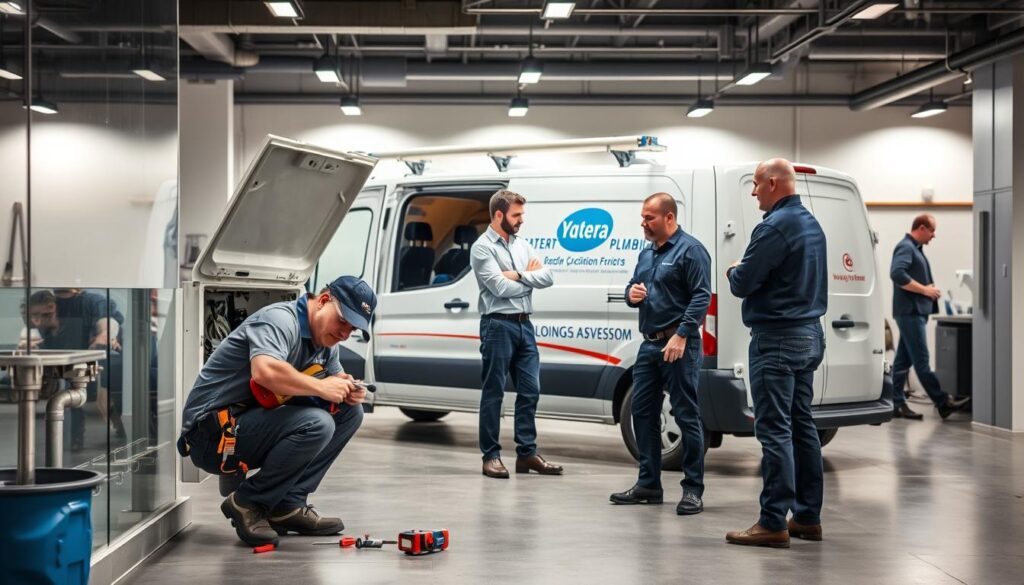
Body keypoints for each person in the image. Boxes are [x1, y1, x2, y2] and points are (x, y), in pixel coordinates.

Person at [177, 276, 375, 547]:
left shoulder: (326, 345)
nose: (344, 333)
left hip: (245, 425)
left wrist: (351, 391)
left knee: (351, 413)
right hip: (209, 436)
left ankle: (287, 505)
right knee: (318, 423)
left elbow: (336, 381)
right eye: (342, 321)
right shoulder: (280, 320)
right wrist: (321, 388)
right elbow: (265, 371)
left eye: (352, 329)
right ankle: (248, 502)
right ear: (325, 300)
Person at [724, 158, 827, 548]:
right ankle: (807, 517)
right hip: (809, 335)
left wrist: (735, 269)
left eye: (754, 185)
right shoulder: (812, 223)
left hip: (777, 339)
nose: (752, 193)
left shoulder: (774, 227)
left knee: (774, 429)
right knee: (802, 426)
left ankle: (772, 521)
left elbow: (744, 282)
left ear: (771, 183)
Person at [610, 193, 711, 515]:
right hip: (649, 345)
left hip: (678, 346)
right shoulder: (646, 253)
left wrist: (682, 334)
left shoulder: (691, 251)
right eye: (643, 217)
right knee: (642, 413)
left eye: (649, 218)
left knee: (685, 416)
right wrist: (631, 294)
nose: (643, 223)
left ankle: (693, 490)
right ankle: (648, 484)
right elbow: (632, 287)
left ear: (669, 217)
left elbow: (701, 297)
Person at [469, 189, 563, 478]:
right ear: (499, 215)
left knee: (531, 390)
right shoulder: (482, 247)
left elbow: (548, 277)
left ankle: (527, 454)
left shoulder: (523, 245)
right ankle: (491, 456)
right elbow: (499, 288)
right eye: (516, 215)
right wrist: (528, 278)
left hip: (525, 325)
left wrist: (520, 275)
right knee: (494, 392)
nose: (521, 220)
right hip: (497, 325)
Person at [890, 214, 970, 420]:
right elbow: (897, 274)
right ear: (922, 228)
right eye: (932, 231)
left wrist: (927, 290)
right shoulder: (906, 247)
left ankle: (896, 403)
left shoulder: (914, 249)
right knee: (922, 361)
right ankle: (943, 402)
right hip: (911, 313)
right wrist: (925, 290)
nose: (934, 236)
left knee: (902, 362)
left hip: (913, 313)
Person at [25, 288, 125, 451]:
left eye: (44, 314)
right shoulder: (48, 313)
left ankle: (116, 426)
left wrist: (105, 335)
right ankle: (74, 440)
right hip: (74, 357)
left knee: (104, 397)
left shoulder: (91, 302)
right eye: (37, 316)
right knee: (73, 398)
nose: (40, 319)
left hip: (99, 357)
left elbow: (108, 324)